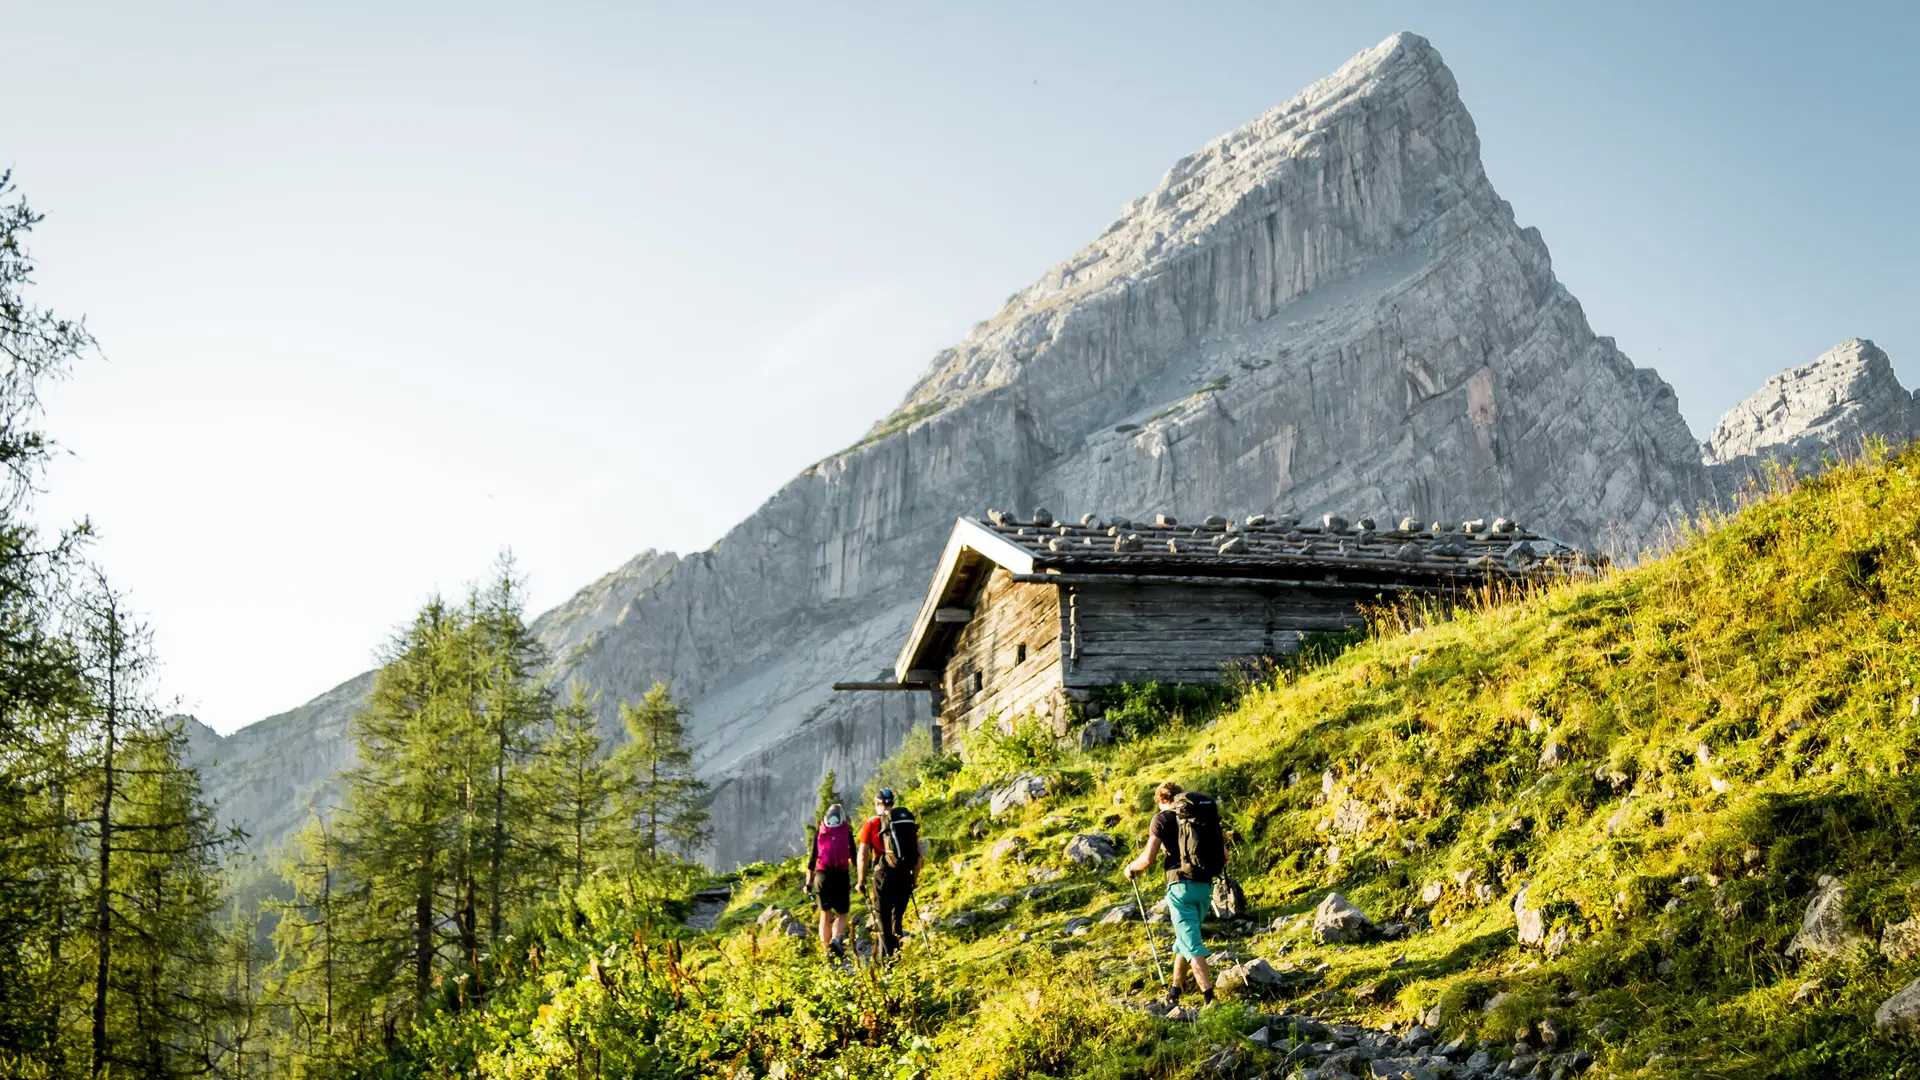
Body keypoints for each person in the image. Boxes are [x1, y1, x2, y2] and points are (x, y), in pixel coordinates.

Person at [1124, 781, 1219, 1008]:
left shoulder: (1161, 820)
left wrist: (1130, 868)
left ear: (1160, 800)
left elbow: (1148, 859)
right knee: (1184, 940)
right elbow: (1223, 855)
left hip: (1179, 887)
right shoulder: (1199, 815)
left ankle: (1210, 998)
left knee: (1192, 944)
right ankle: (1174, 992)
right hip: (1205, 886)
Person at [857, 787, 922, 960]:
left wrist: (861, 881)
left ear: (877, 804)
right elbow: (919, 855)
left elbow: (863, 855)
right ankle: (898, 957)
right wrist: (914, 879)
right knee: (896, 919)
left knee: (882, 920)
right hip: (904, 875)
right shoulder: (904, 821)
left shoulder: (871, 823)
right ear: (892, 803)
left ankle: (886, 964)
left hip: (883, 875)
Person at [807, 803, 855, 957]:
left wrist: (808, 883)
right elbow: (854, 856)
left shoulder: (819, 833)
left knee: (825, 914)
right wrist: (862, 873)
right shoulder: (846, 832)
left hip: (822, 876)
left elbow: (812, 860)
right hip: (841, 875)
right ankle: (836, 939)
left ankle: (826, 951)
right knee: (842, 913)